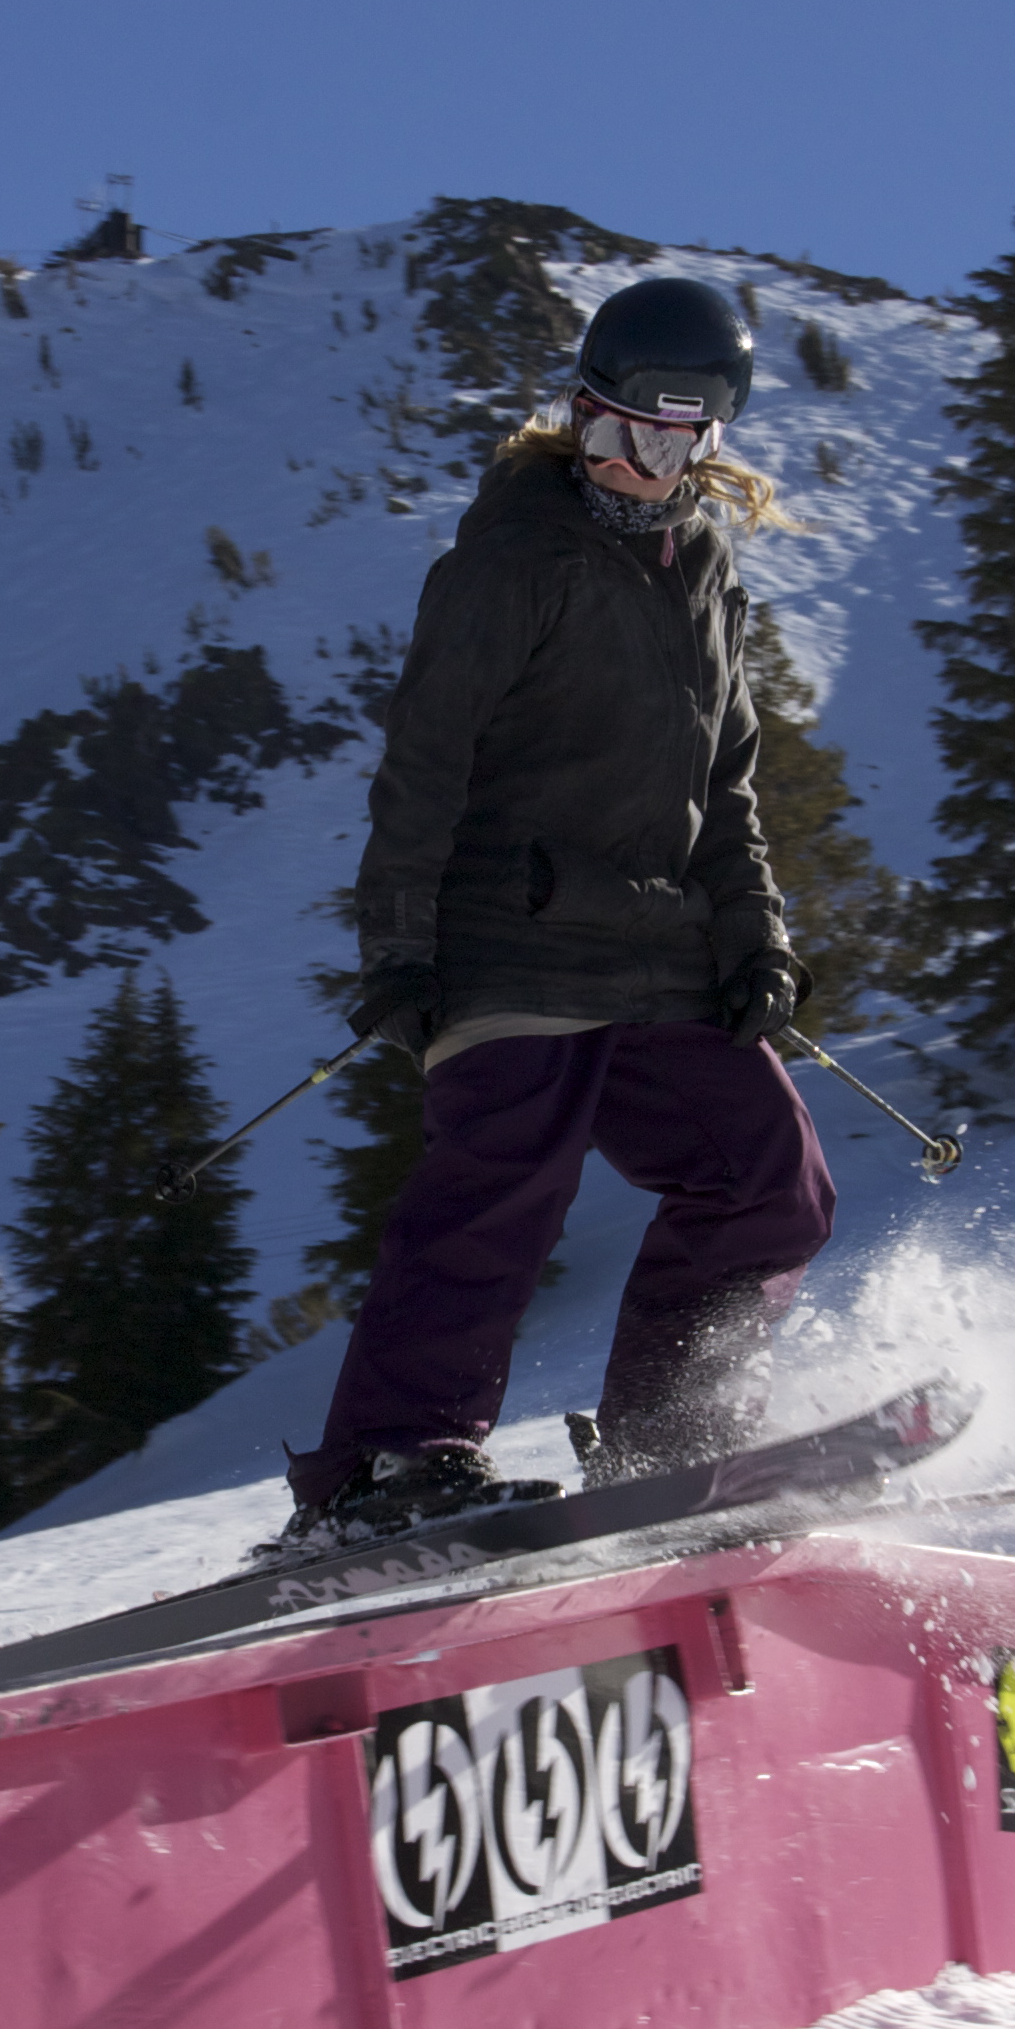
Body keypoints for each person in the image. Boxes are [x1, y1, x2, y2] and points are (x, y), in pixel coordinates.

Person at [267, 277, 829, 1557]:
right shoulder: (509, 559)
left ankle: (671, 1439)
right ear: (580, 414)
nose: (649, 465)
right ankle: (388, 1470)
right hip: (509, 941)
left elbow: (726, 783)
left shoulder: (706, 568)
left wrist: (756, 938)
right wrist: (400, 946)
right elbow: (424, 761)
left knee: (770, 1181)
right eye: (626, 433)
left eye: (683, 442)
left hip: (661, 954)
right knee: (502, 1185)